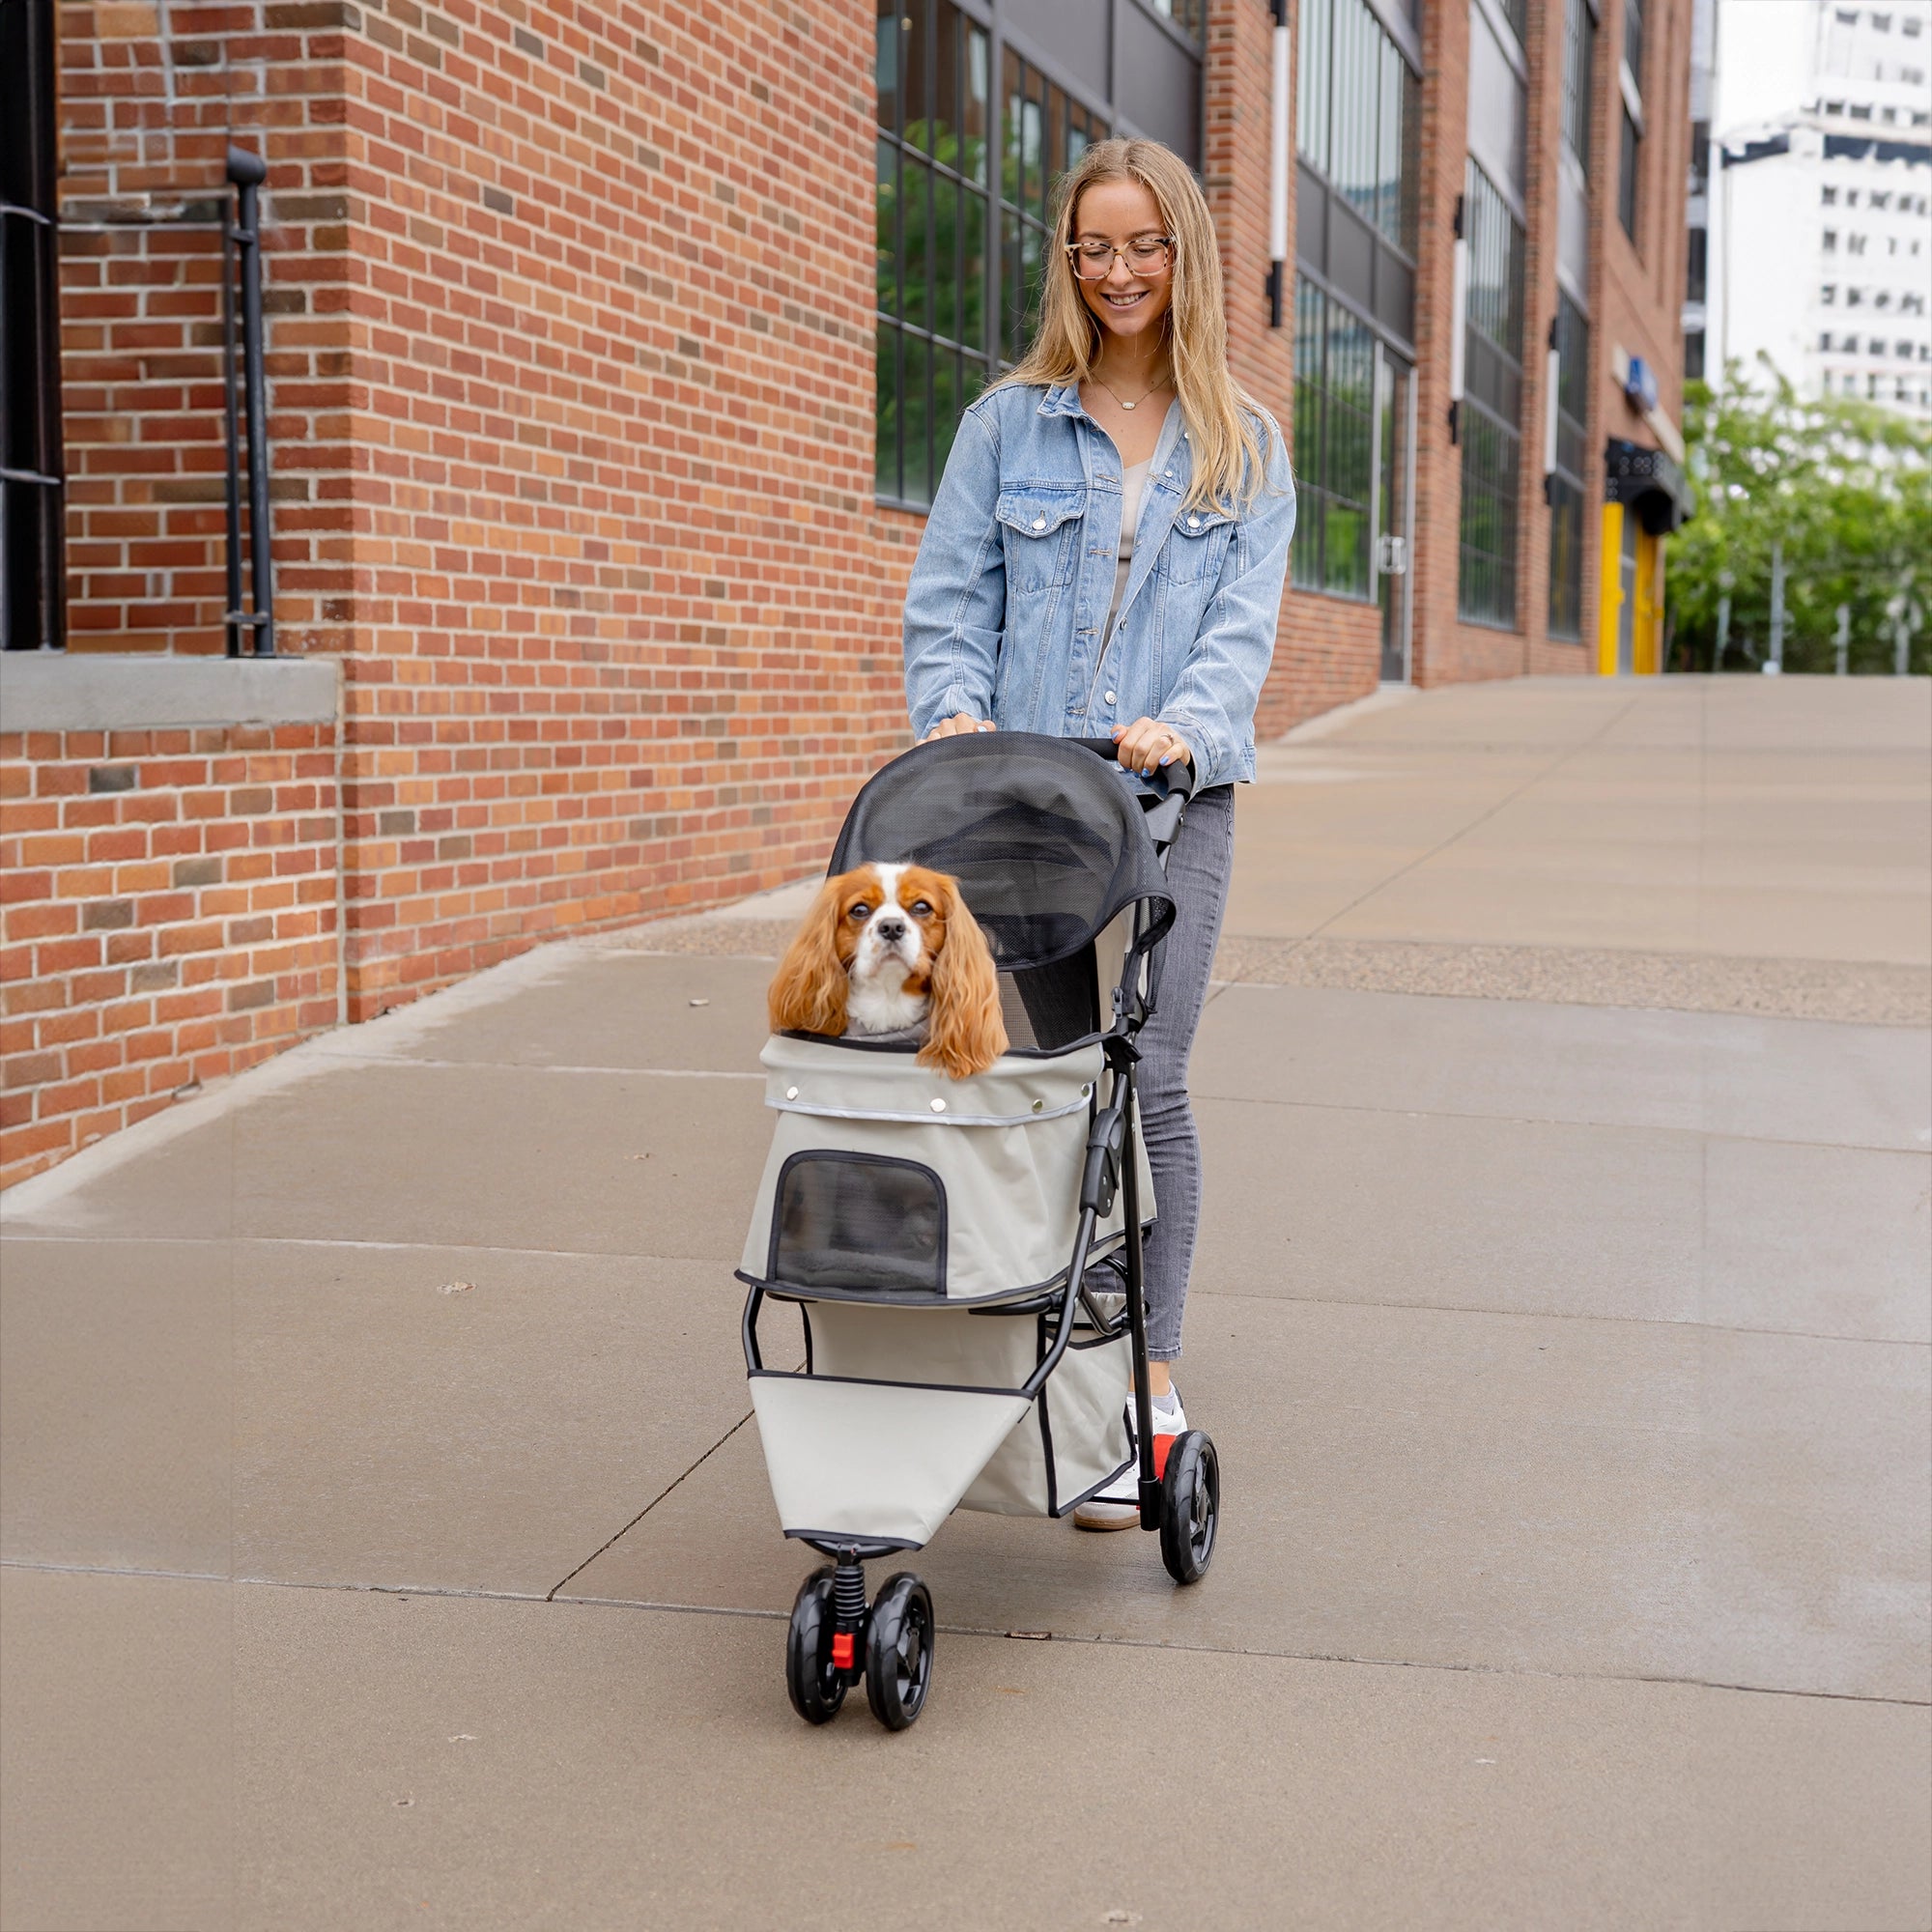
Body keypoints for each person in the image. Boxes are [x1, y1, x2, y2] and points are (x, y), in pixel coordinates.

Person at [900, 137, 1296, 1527]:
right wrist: (950, 715)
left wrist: (1182, 725)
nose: (1118, 272)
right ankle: (1059, 1354)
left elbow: (1238, 640)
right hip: (1029, 803)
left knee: (1155, 1075)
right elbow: (950, 602)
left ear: (1183, 254)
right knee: (1057, 1074)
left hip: (1173, 805)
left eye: (1143, 246)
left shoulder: (1246, 446)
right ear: (1068, 260)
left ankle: (1153, 1379)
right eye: (1093, 248)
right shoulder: (1004, 427)